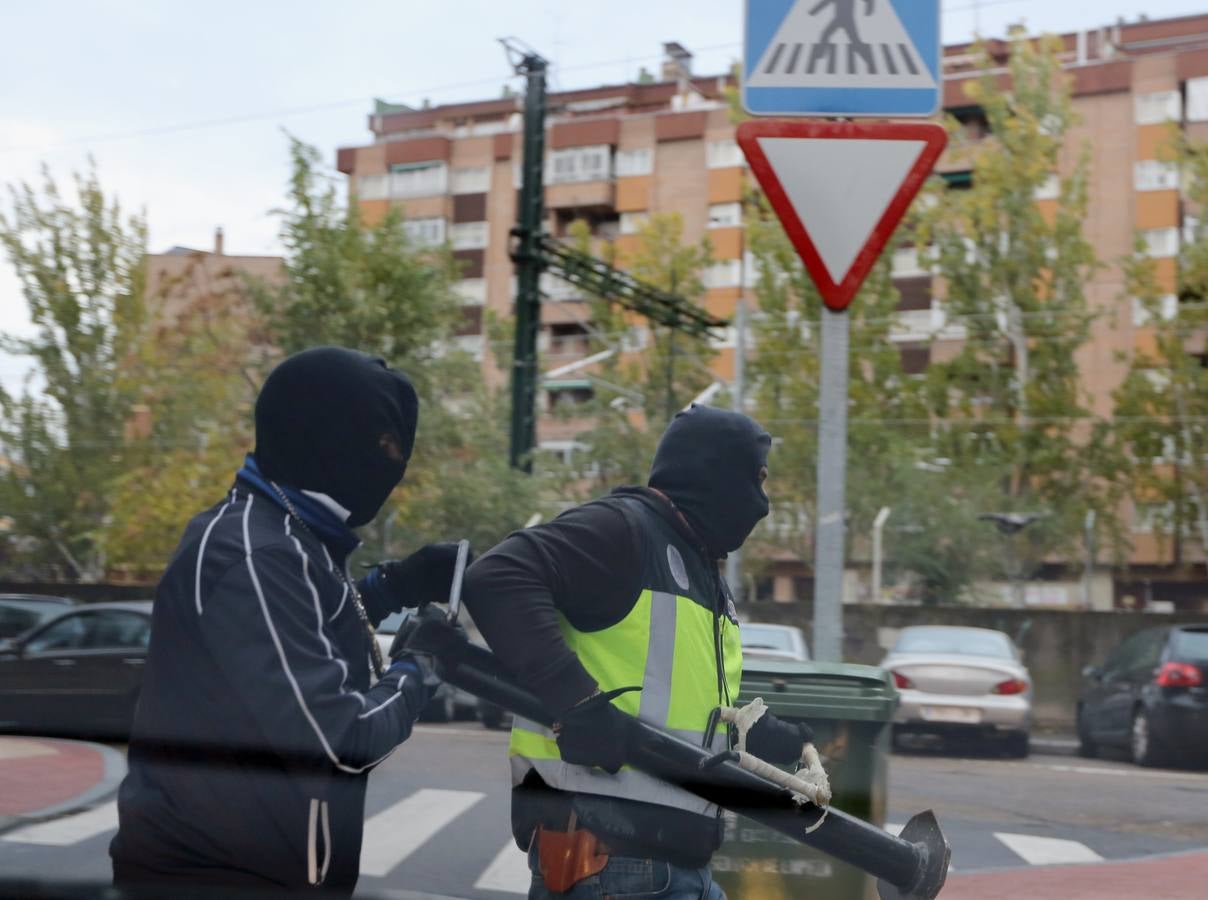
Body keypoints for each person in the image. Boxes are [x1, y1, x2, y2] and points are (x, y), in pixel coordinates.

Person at [111, 346, 466, 894]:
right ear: (321, 435)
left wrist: (395, 585)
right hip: (214, 879)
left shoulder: (286, 536)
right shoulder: (256, 554)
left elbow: (300, 632)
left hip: (265, 872)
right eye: (383, 446)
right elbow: (340, 741)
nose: (393, 465)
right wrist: (419, 668)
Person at [463, 405, 811, 900]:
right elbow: (496, 578)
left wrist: (755, 735)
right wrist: (577, 705)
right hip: (609, 866)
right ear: (714, 474)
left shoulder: (701, 567)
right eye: (755, 480)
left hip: (673, 867)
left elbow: (677, 699)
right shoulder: (623, 530)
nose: (762, 503)